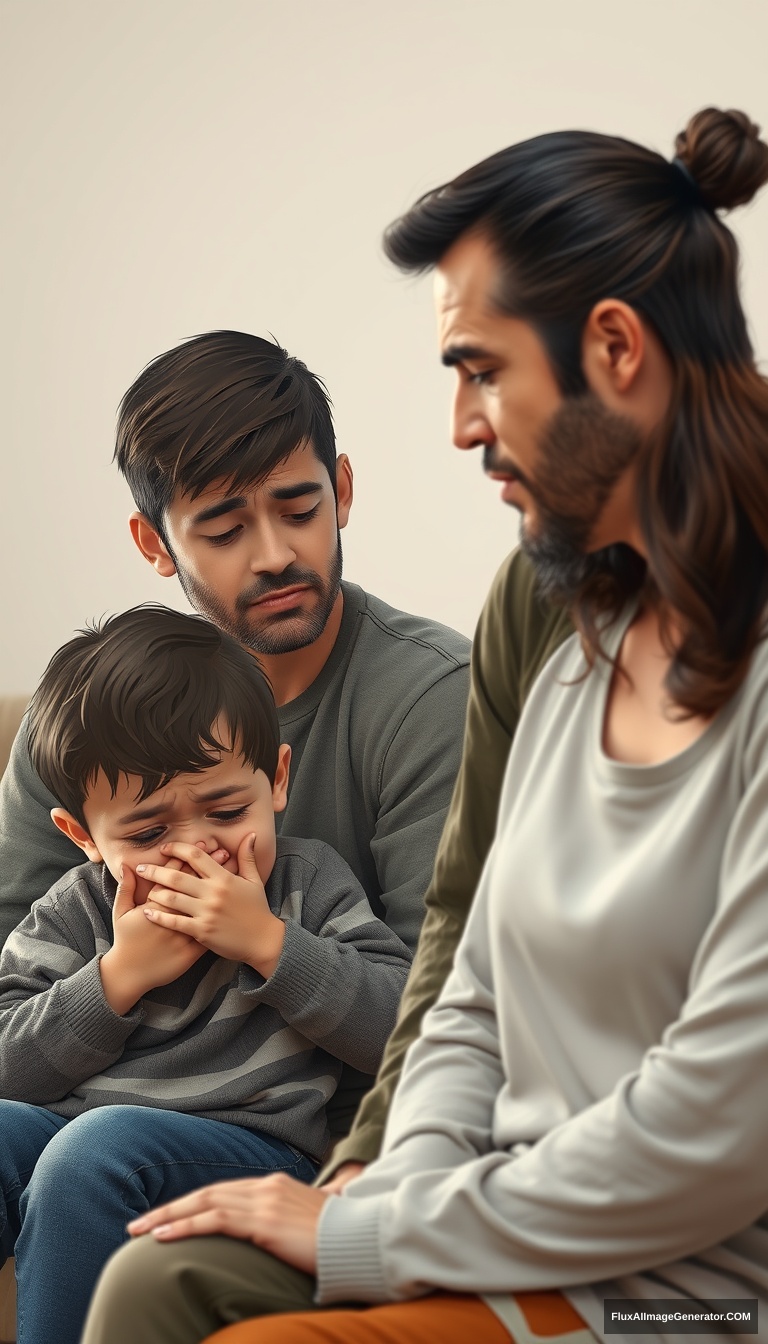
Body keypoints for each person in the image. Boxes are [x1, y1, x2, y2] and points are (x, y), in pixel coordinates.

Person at [81, 105, 768, 1344]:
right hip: (487, 1214)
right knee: (153, 1284)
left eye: (480, 370)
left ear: (614, 348)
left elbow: (718, 1129)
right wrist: (386, 1186)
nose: (458, 427)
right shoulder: (570, 636)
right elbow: (469, 982)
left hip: (685, 1292)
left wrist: (381, 1230)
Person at [0, 330, 470, 1134]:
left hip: (318, 1140)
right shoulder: (79, 730)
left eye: (300, 509)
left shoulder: (432, 698)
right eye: (222, 531)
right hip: (81, 1121)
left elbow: (442, 1022)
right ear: (155, 543)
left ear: (343, 490)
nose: (275, 555)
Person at [0, 604, 411, 1344]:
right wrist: (118, 975)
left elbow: (404, 1034)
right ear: (82, 838)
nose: (199, 851)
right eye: (149, 833)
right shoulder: (73, 912)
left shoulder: (305, 885)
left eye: (226, 810)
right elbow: (6, 1064)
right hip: (72, 1133)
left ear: (277, 781)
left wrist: (270, 944)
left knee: (91, 1152)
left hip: (251, 1146)